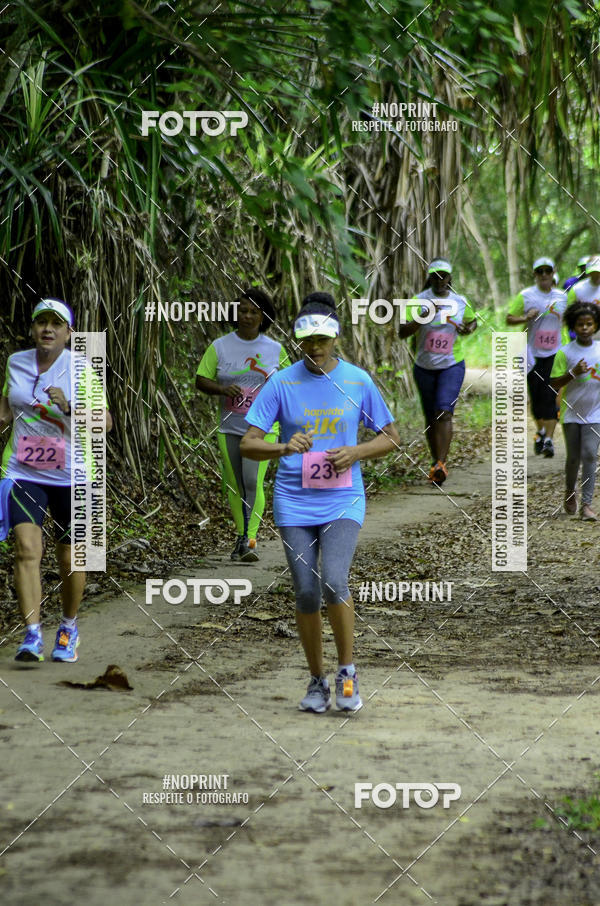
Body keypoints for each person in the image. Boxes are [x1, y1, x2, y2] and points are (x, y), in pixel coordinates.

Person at [240, 292, 400, 713]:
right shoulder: (282, 382)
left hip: (343, 498)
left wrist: (357, 452)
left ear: (335, 338)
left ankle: (347, 672)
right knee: (307, 591)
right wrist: (282, 447)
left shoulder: (357, 381)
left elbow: (391, 436)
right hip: (294, 500)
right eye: (307, 340)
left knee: (333, 580)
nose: (314, 348)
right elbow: (248, 444)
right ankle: (316, 681)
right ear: (297, 340)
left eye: (322, 339)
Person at [0, 298, 112, 662]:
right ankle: (32, 634)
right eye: (41, 322)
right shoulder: (16, 363)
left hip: (74, 475)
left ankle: (68, 626)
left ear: (68, 333)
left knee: (70, 559)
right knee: (26, 550)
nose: (47, 329)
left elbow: (106, 423)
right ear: (33, 329)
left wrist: (68, 407)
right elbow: (7, 407)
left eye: (56, 324)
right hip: (23, 471)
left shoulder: (81, 369)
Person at [196, 289, 290, 562]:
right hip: (229, 426)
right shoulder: (220, 346)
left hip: (264, 429)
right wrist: (223, 389)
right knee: (236, 484)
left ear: (264, 317)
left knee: (252, 480)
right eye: (243, 310)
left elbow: (289, 383)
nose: (247, 316)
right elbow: (201, 379)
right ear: (235, 313)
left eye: (254, 311)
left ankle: (250, 539)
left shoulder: (275, 350)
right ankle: (241, 536)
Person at [398, 257, 477, 484]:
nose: (440, 279)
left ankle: (441, 463)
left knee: (444, 411)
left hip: (452, 364)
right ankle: (435, 461)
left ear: (450, 278)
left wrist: (467, 328)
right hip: (424, 366)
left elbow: (473, 322)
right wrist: (422, 318)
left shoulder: (460, 301)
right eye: (435, 275)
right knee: (430, 416)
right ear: (429, 277)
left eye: (444, 275)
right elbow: (402, 332)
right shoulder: (417, 301)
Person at [507, 257, 567, 458]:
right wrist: (525, 317)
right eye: (539, 271)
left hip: (555, 353)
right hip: (532, 354)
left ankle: (549, 440)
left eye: (547, 271)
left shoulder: (562, 296)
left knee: (551, 396)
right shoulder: (526, 296)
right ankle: (540, 432)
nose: (544, 275)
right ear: (534, 275)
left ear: (553, 273)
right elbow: (509, 318)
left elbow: (573, 317)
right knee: (537, 397)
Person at [550, 301, 600, 520]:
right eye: (580, 324)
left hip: (596, 412)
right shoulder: (565, 352)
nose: (585, 328)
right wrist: (572, 373)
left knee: (590, 454)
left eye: (589, 323)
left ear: (596, 326)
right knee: (573, 458)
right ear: (573, 326)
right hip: (571, 413)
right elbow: (553, 384)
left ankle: (587, 504)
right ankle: (570, 491)